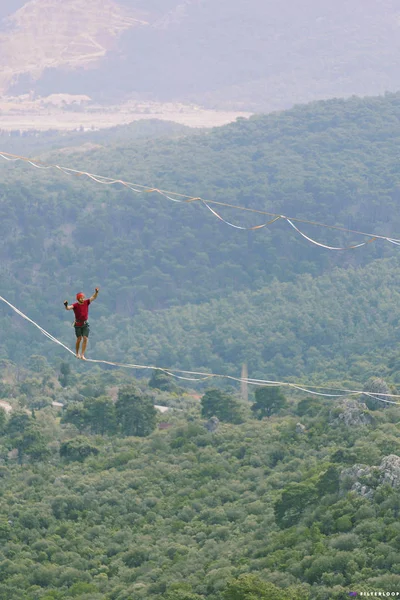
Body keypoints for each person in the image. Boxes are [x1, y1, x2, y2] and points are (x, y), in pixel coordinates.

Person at [64, 288, 99, 359]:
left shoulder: (86, 302)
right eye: (81, 298)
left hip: (85, 324)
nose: (83, 299)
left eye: (83, 297)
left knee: (85, 338)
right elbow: (68, 308)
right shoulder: (75, 305)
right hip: (78, 325)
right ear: (78, 299)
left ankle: (82, 355)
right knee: (79, 339)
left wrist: (96, 292)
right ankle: (77, 353)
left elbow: (93, 297)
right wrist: (66, 305)